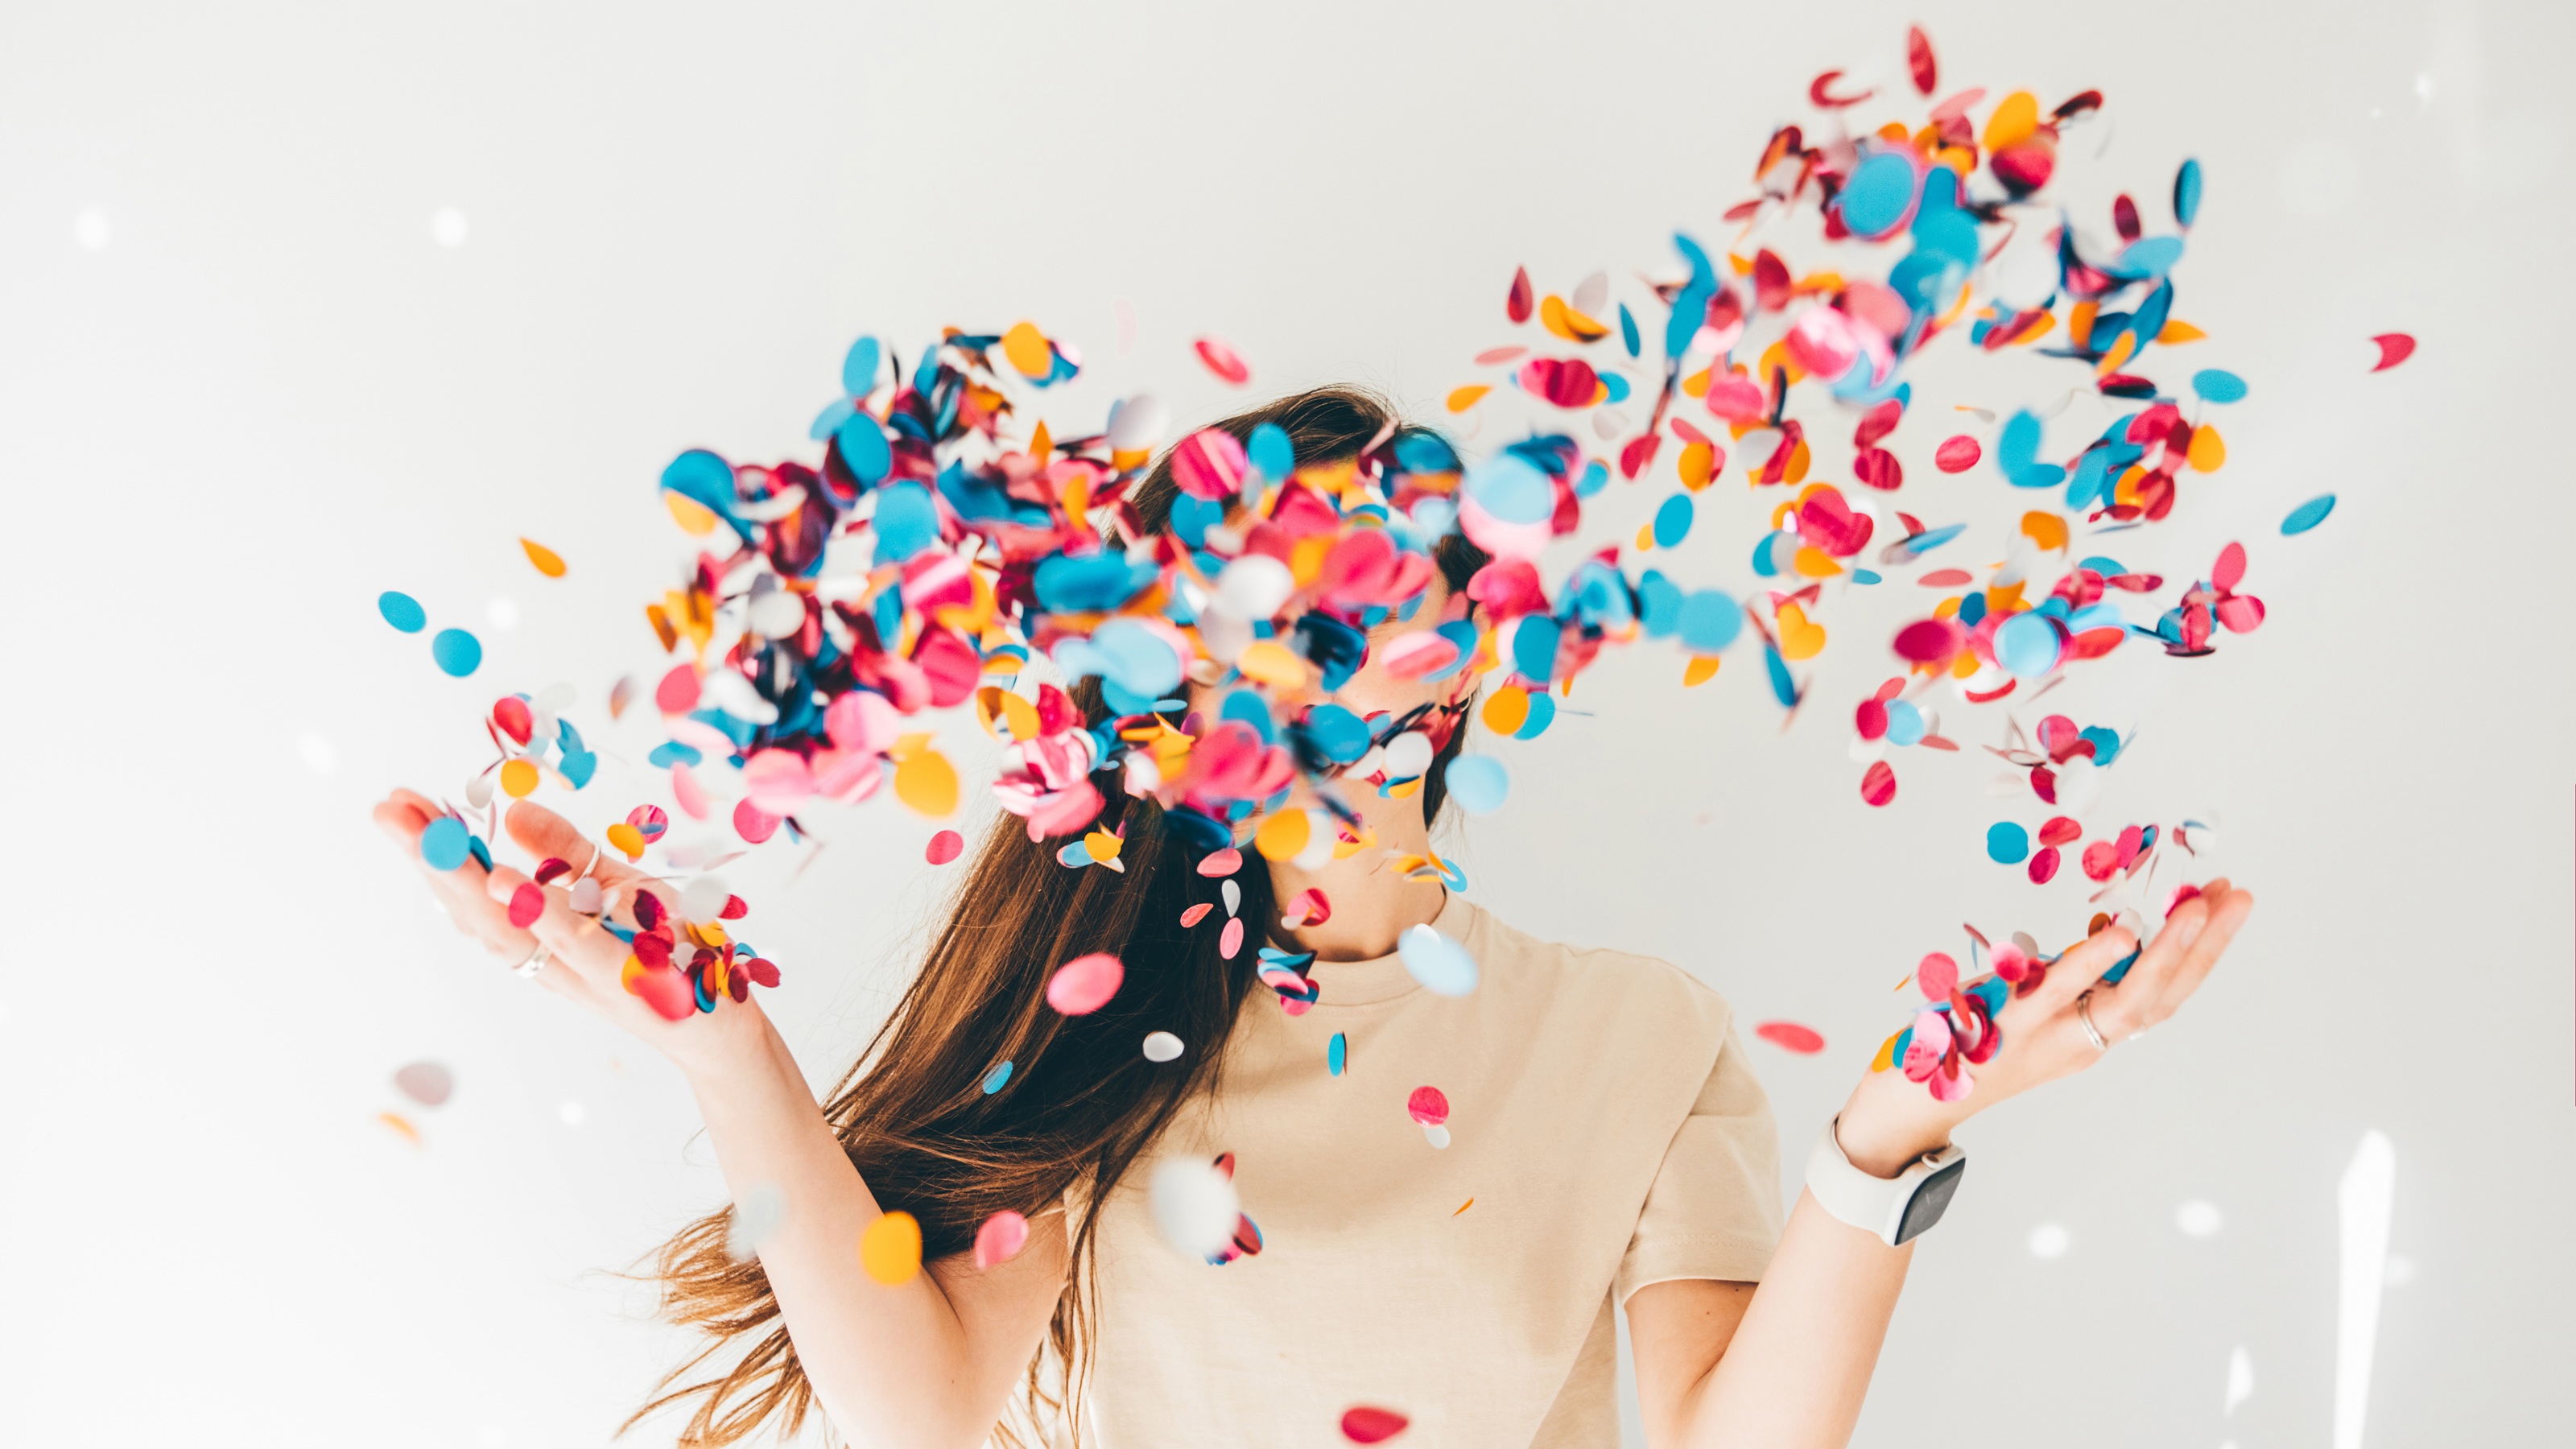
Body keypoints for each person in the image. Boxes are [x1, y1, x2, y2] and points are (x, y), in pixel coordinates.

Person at [374, 388, 2255, 1449]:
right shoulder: (1101, 1021)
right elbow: (926, 1416)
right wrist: (725, 1046)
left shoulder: (1635, 1033)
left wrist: (1880, 1149)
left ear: (1463, 665)